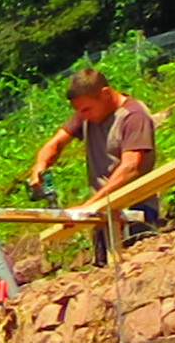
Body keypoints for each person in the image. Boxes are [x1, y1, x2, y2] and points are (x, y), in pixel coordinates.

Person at [25, 63, 159, 225]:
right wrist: (40, 166)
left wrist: (88, 207)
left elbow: (130, 167)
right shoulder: (87, 114)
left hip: (135, 210)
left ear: (106, 93)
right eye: (80, 111)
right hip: (101, 211)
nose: (83, 116)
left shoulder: (133, 117)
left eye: (86, 109)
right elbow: (56, 143)